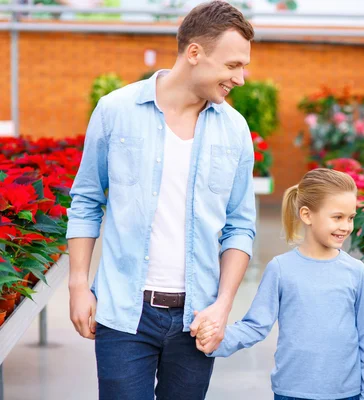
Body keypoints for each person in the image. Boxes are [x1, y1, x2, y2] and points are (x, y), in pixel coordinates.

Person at [66, 1, 256, 399]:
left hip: (197, 319)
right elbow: (85, 201)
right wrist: (79, 285)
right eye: (233, 65)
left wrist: (222, 306)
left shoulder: (235, 130)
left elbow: (240, 225)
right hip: (123, 313)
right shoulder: (116, 111)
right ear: (194, 53)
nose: (241, 78)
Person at [193, 168, 364, 400]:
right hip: (291, 392)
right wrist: (216, 340)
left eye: (350, 218)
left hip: (346, 394)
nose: (346, 226)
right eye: (337, 217)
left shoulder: (357, 272)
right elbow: (255, 325)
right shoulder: (281, 269)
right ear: (307, 215)